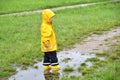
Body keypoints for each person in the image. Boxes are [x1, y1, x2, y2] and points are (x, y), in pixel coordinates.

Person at [40, 9, 60, 75]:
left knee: (47, 56)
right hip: (49, 46)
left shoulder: (47, 24)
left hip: (47, 46)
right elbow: (45, 36)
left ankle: (46, 67)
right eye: (51, 18)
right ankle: (55, 68)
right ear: (46, 18)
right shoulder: (45, 26)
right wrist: (46, 43)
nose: (52, 19)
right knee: (53, 57)